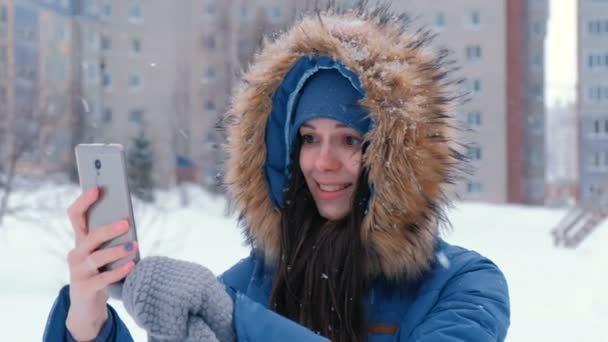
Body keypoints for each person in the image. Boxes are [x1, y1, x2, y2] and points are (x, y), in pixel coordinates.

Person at [44, 4, 510, 342]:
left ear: (397, 159)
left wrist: (235, 323)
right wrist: (87, 323)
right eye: (308, 138)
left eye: (350, 140)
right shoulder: (244, 287)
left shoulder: (464, 286)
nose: (323, 162)